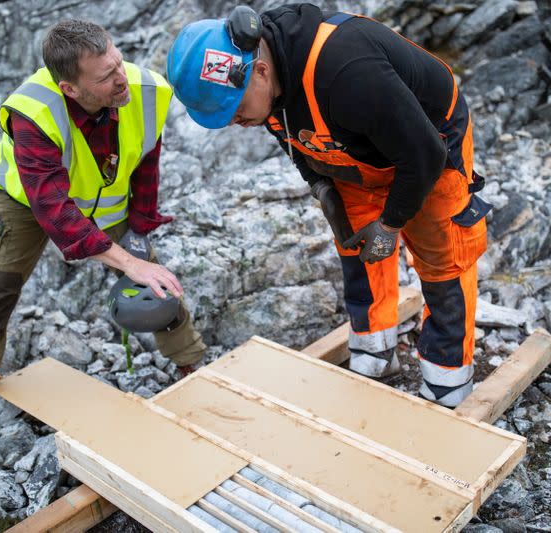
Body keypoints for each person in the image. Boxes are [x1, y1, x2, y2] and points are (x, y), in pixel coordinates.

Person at [166, 4, 491, 408]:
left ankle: (447, 382)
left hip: (428, 143)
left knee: (443, 255)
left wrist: (391, 224)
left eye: (235, 113)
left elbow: (422, 154)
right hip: (350, 150)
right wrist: (320, 184)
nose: (236, 123)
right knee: (356, 244)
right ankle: (375, 349)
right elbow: (289, 136)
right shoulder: (262, 83)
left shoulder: (348, 70)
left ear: (261, 72)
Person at [0, 19, 206, 448]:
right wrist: (126, 260)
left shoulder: (145, 90)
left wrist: (140, 230)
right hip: (26, 202)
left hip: (103, 195)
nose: (120, 78)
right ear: (70, 88)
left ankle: (192, 365)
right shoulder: (32, 113)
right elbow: (53, 210)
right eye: (105, 76)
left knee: (152, 281)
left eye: (118, 62)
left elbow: (146, 159)